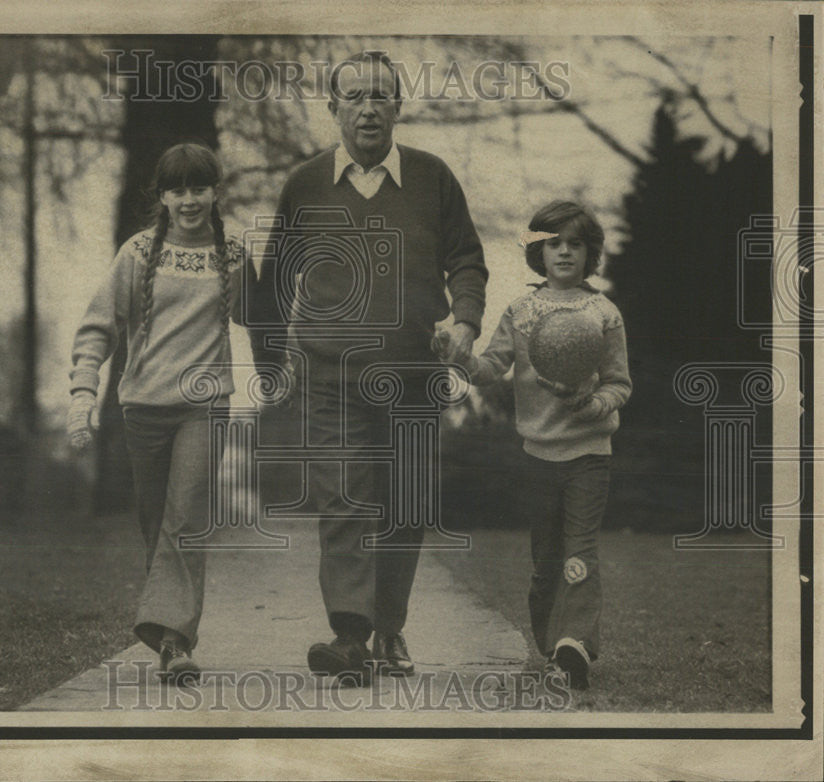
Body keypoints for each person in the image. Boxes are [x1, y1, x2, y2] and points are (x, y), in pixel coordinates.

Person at [249, 51, 488, 682]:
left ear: (399, 108)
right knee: (345, 498)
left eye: (381, 95)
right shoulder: (304, 184)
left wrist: (464, 319)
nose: (369, 107)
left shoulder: (433, 179)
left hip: (415, 373)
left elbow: (467, 258)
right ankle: (350, 637)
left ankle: (388, 631)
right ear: (334, 109)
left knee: (406, 503)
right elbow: (274, 283)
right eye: (355, 96)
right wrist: (271, 364)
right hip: (331, 375)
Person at [66, 143, 247, 684]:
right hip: (143, 406)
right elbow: (99, 325)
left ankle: (173, 641)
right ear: (163, 196)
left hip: (205, 405)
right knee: (156, 524)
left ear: (216, 192)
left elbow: (267, 317)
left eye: (199, 188)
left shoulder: (233, 254)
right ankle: (171, 628)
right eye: (177, 189)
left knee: (184, 519)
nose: (189, 200)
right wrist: (82, 394)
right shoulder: (138, 252)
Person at [447, 200, 631, 689]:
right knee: (545, 561)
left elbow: (619, 385)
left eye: (575, 244)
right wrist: (461, 359)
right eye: (554, 244)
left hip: (590, 455)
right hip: (537, 456)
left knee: (580, 551)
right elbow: (490, 368)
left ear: (590, 253)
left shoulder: (603, 313)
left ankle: (575, 648)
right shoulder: (522, 312)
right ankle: (552, 646)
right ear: (539, 252)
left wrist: (592, 405)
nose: (565, 252)